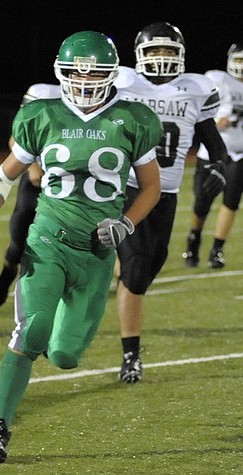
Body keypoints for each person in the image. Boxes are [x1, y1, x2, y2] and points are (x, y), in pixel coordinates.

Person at [0, 31, 162, 463]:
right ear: (64, 70)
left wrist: (126, 223)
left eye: (96, 70)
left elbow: (151, 188)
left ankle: (57, 332)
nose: (87, 78)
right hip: (47, 240)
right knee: (31, 331)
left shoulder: (133, 118)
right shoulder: (42, 114)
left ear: (113, 74)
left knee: (64, 356)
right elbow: (4, 175)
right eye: (79, 69)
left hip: (96, 252)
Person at [112, 22, 227, 383]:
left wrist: (219, 169)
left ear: (180, 55)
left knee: (149, 266)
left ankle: (115, 268)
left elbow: (213, 141)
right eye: (154, 51)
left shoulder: (194, 88)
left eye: (168, 50)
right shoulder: (122, 83)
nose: (161, 58)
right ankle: (131, 356)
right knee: (135, 269)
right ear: (139, 55)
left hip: (167, 193)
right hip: (127, 186)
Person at [0, 83, 60, 308]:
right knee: (18, 243)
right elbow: (15, 140)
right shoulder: (37, 110)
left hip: (65, 188)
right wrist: (32, 166)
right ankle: (8, 270)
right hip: (34, 184)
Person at [183, 42, 243, 269]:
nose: (241, 65)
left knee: (231, 202)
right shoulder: (217, 79)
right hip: (212, 153)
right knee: (202, 200)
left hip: (238, 153)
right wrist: (218, 120)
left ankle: (217, 249)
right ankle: (194, 237)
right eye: (238, 60)